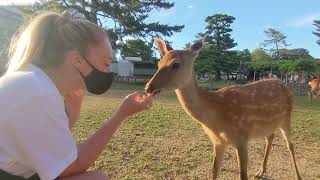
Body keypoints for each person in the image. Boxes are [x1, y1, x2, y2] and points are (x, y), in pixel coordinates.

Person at [0, 12, 153, 180]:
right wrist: (120, 114)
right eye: (106, 63)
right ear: (77, 60)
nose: (109, 71)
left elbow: (54, 150)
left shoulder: (31, 80)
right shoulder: (40, 93)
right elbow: (71, 166)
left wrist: (71, 115)